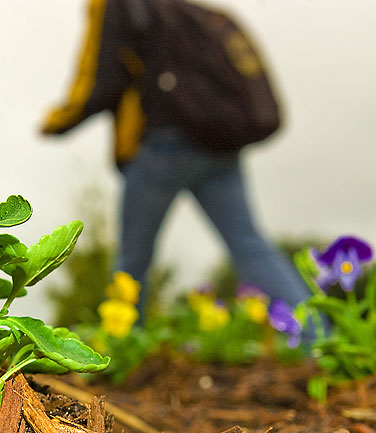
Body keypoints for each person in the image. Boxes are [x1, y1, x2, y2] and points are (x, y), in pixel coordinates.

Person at [40, 0, 310, 318]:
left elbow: (99, 80)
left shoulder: (115, 4)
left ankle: (120, 351)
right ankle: (316, 337)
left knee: (132, 260)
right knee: (250, 245)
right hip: (218, 147)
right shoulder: (187, 12)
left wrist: (56, 121)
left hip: (161, 145)